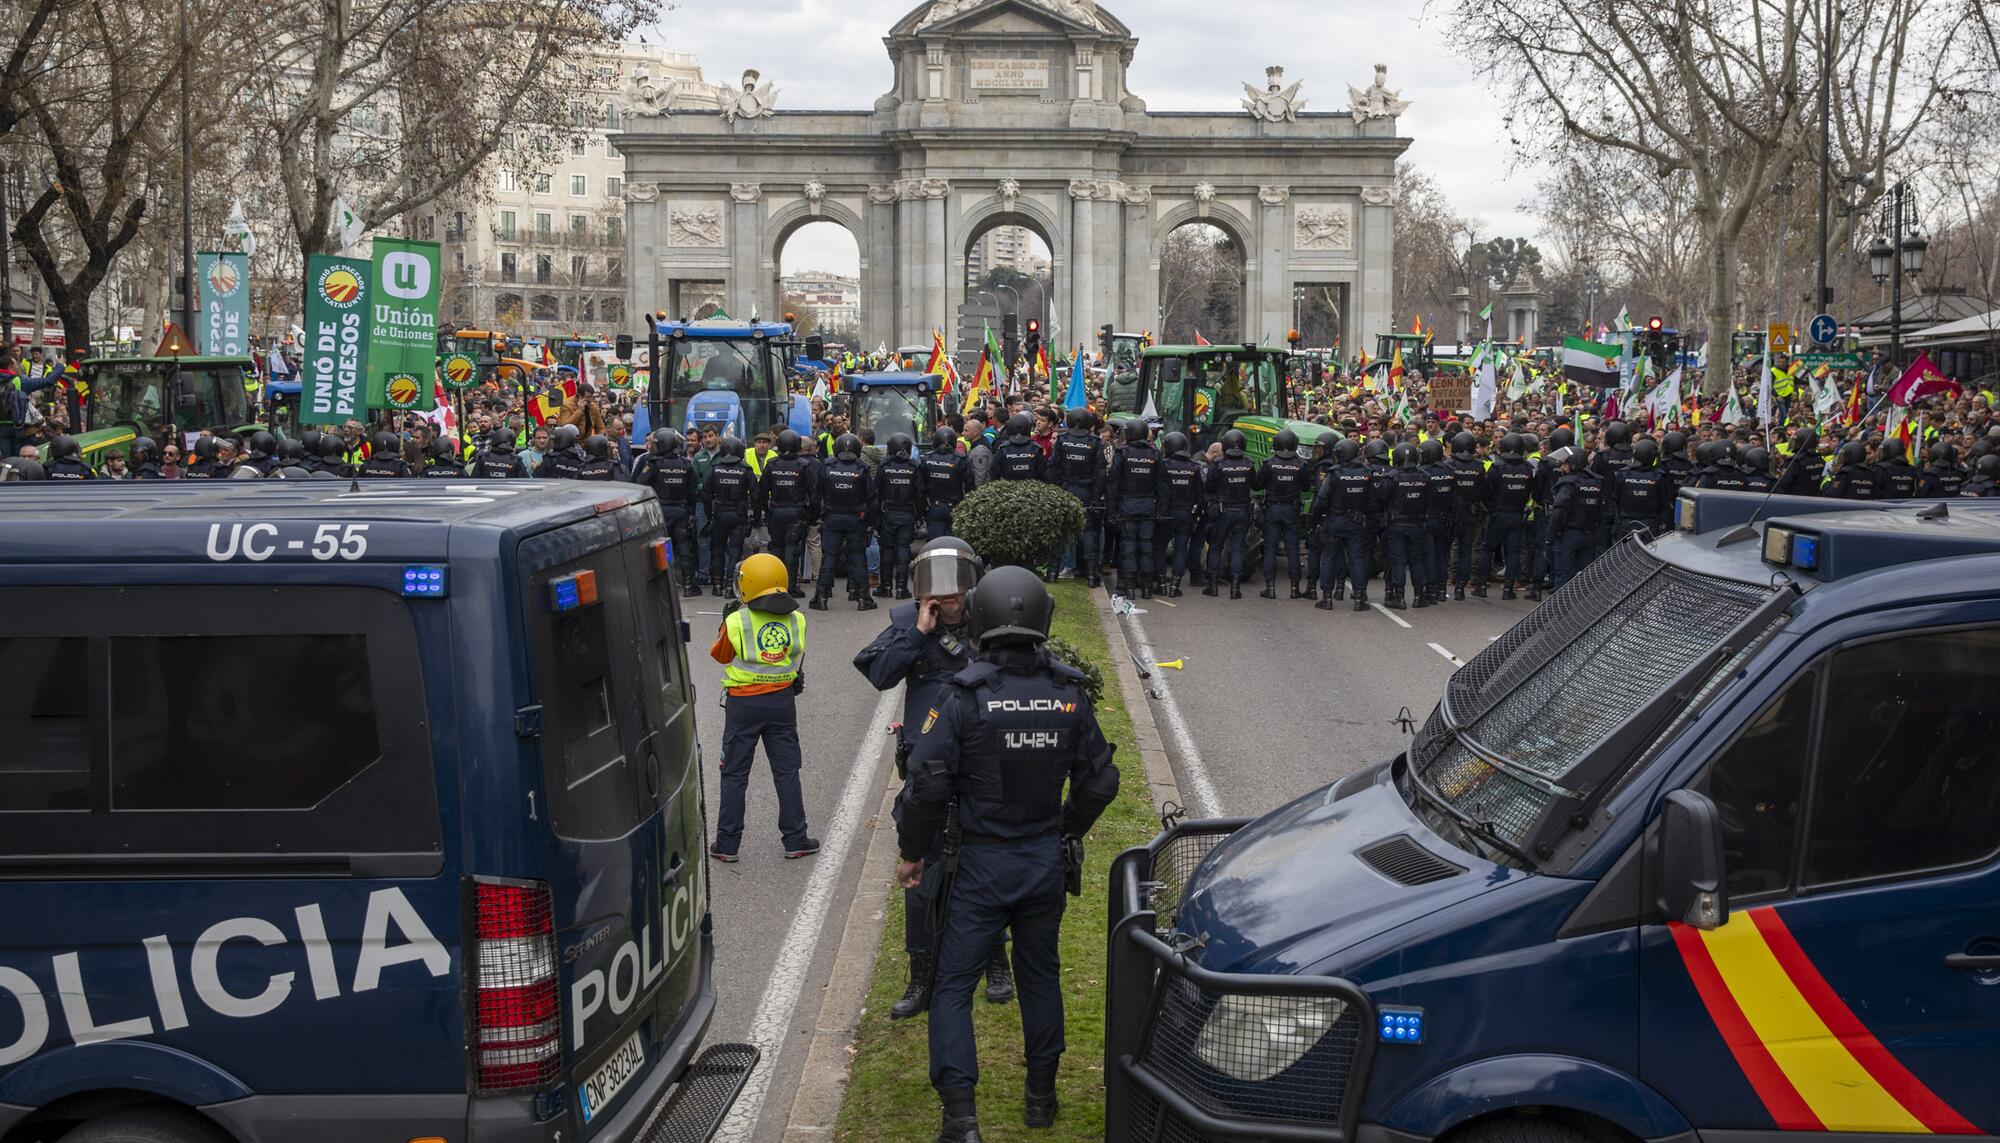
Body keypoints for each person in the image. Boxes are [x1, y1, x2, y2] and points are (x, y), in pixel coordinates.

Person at [895, 566, 1119, 1143]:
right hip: (1042, 861)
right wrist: (1064, 829)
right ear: (1042, 619)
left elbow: (927, 784)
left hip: (980, 867)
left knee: (951, 986)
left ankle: (961, 1120)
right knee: (1040, 977)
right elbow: (1100, 781)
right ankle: (1040, 1100)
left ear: (981, 618)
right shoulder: (1069, 693)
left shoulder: (965, 696)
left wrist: (912, 853)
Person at [852, 538, 1014, 1020]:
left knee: (986, 869)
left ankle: (995, 960)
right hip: (927, 775)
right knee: (918, 874)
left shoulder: (992, 623)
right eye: (935, 588)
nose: (946, 598)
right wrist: (918, 634)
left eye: (955, 587)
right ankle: (921, 972)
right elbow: (878, 673)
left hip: (981, 768)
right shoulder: (908, 624)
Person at [707, 553, 818, 862]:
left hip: (743, 704)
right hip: (782, 702)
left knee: (734, 773)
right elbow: (794, 650)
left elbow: (721, 656)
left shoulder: (737, 620)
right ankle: (795, 839)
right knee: (786, 771)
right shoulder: (797, 619)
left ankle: (727, 845)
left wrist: (725, 621)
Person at [1308, 437, 1376, 611]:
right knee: (1357, 559)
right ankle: (1359, 599)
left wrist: (1313, 522)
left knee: (1329, 557)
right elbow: (1372, 502)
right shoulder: (1366, 473)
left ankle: (1327, 598)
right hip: (1357, 522)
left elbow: (1321, 500)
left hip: (1335, 521)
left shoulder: (1334, 473)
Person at [633, 429, 703, 594]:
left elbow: (639, 483)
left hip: (659, 512)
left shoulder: (654, 464)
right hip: (680, 511)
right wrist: (690, 511)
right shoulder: (686, 464)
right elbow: (692, 491)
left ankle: (663, 586)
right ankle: (687, 585)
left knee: (660, 548)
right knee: (684, 548)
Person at [813, 433, 877, 612]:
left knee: (830, 557)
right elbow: (871, 498)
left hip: (832, 518)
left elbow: (816, 494)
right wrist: (870, 521)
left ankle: (821, 597)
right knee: (857, 557)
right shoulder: (862, 468)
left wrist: (817, 517)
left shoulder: (827, 467)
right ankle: (863, 597)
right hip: (855, 519)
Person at [1107, 419, 1164, 597]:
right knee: (1146, 547)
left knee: (1128, 547)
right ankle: (1146, 588)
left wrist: (1111, 510)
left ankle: (1129, 587)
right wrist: (1161, 510)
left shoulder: (1122, 453)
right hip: (1148, 505)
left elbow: (1113, 484)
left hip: (1128, 505)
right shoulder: (1154, 454)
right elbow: (1162, 485)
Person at [1046, 409, 1104, 585]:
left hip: (1065, 490)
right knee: (1087, 532)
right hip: (1085, 491)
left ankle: (1053, 573)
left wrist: (1055, 490)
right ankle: (1092, 575)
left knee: (1061, 530)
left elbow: (1053, 467)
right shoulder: (1094, 442)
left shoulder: (1062, 441)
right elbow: (1100, 473)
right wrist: (1095, 498)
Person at [1478, 434, 1535, 599]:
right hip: (1517, 514)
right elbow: (1530, 491)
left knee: (1487, 548)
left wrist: (1491, 508)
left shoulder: (1497, 467)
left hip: (1498, 514)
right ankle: (1508, 590)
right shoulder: (1527, 468)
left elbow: (1487, 492)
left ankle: (1481, 586)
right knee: (1512, 552)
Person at [1203, 429, 1259, 598]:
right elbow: (1255, 485)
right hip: (1242, 511)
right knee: (1237, 549)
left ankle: (1212, 586)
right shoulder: (1249, 464)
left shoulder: (1218, 464)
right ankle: (1235, 589)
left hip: (1223, 512)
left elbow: (1208, 487)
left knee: (1215, 547)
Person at [761, 429, 818, 594]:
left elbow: (762, 491)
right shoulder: (804, 466)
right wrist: (812, 516)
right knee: (792, 551)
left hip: (776, 512)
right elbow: (813, 493)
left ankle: (776, 585)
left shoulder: (772, 465)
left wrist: (766, 511)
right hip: (796, 512)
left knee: (777, 548)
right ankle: (791, 587)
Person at [1543, 446, 1607, 593]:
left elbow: (1558, 513)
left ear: (1572, 463)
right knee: (1584, 578)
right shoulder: (1596, 482)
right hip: (1589, 534)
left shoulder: (1567, 484)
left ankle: (1560, 613)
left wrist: (1549, 539)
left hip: (1569, 535)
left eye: (1565, 463)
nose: (1562, 467)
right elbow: (1601, 510)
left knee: (1563, 576)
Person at [1258, 429, 1311, 599]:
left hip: (1273, 508)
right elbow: (1306, 487)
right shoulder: (1301, 464)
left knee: (1270, 548)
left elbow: (1258, 485)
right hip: (1291, 510)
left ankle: (1270, 587)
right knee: (1293, 549)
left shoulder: (1269, 463)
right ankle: (1294, 588)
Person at [704, 436, 758, 596]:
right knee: (735, 550)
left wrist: (709, 516)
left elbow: (705, 493)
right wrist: (754, 517)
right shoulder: (745, 470)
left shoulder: (715, 468)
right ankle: (730, 587)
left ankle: (717, 585)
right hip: (738, 514)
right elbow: (756, 494)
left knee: (717, 549)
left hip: (719, 514)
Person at [1381, 443, 1432, 610]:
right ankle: (1419, 596)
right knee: (1417, 560)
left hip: (1396, 524)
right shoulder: (1424, 476)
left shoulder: (1392, 477)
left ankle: (1399, 598)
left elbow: (1381, 498)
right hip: (1417, 524)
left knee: (1398, 561)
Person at [875, 433, 924, 599]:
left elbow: (877, 492)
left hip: (889, 513)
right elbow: (920, 493)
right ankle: (901, 588)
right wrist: (919, 515)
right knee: (903, 549)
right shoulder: (914, 466)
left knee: (887, 550)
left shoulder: (884, 465)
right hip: (907, 513)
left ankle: (886, 586)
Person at [1158, 431, 1205, 597]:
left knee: (1160, 547)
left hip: (1167, 513)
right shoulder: (1194, 467)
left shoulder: (1164, 465)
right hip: (1185, 513)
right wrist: (1195, 515)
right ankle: (1175, 586)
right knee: (1180, 549)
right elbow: (1200, 495)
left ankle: (1162, 584)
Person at [1445, 431, 1487, 600]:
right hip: (1471, 513)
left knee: (1447, 549)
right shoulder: (1478, 466)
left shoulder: (1449, 465)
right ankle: (1460, 588)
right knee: (1466, 550)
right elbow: (1484, 490)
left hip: (1451, 514)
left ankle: (1444, 586)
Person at [1611, 436, 1669, 538]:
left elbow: (1616, 498)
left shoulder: (1624, 473)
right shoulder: (1659, 476)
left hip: (1626, 524)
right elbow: (1664, 503)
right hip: (1650, 525)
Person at [920, 426, 969, 541]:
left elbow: (920, 488)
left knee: (935, 544)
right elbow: (969, 485)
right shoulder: (960, 459)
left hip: (934, 507)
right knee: (954, 544)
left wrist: (922, 511)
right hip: (956, 507)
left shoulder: (927, 459)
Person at [991, 413, 1045, 482]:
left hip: (1007, 489)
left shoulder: (1003, 449)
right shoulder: (1036, 448)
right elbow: (1042, 473)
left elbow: (994, 473)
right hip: (1031, 489)